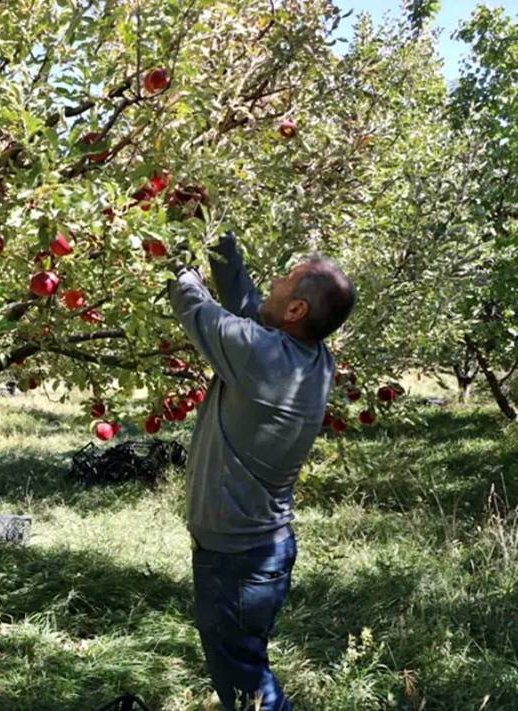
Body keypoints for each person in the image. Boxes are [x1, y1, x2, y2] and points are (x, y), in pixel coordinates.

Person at [167, 231, 357, 710]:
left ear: (296, 311)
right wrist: (220, 244)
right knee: (247, 670)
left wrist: (170, 247)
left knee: (247, 688)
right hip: (259, 552)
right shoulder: (308, 358)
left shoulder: (264, 357)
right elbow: (250, 304)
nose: (273, 282)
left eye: (284, 281)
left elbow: (195, 306)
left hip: (236, 560)